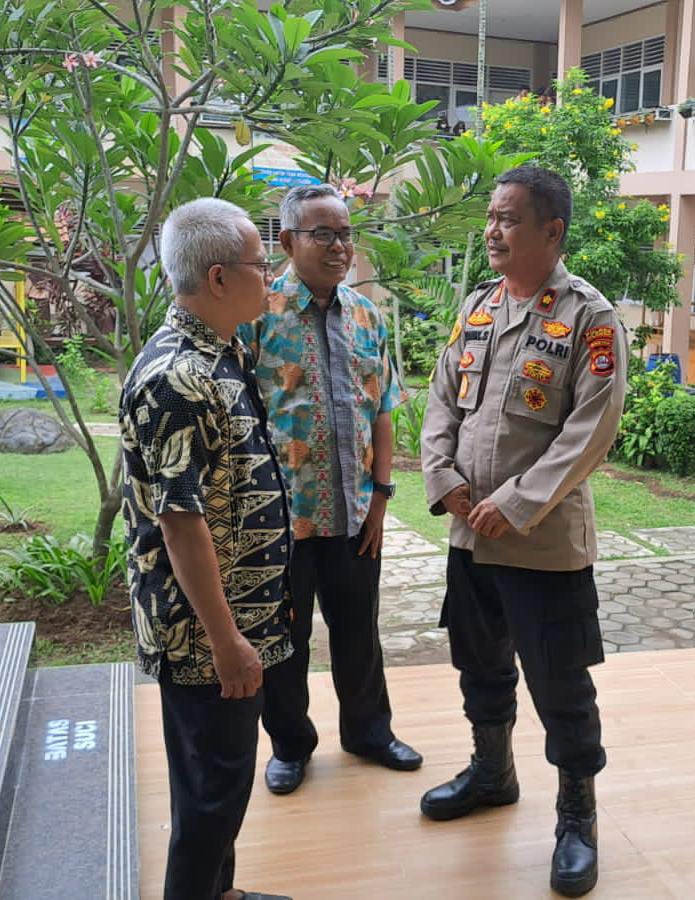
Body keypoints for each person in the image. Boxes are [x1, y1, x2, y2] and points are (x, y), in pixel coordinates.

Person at [420, 166, 627, 898]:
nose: (492, 230)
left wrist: (517, 500)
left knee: (559, 683)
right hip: (468, 537)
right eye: (490, 217)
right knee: (478, 666)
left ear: (552, 231)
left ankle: (577, 817)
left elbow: (590, 430)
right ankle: (491, 772)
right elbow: (441, 395)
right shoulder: (476, 306)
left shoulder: (588, 318)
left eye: (508, 218)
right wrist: (441, 478)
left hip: (541, 544)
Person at [119, 198, 293, 900]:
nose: (272, 274)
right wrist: (226, 642)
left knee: (220, 781)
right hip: (201, 636)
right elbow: (179, 521)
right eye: (261, 263)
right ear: (219, 278)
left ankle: (219, 893)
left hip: (233, 620)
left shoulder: (218, 353)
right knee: (210, 795)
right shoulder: (177, 379)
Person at [238, 183, 422, 796]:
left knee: (359, 630)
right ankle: (290, 745)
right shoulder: (257, 315)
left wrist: (383, 497)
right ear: (288, 241)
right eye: (323, 234)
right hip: (282, 520)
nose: (339, 245)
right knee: (283, 641)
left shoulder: (367, 314)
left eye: (345, 233)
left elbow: (384, 410)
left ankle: (369, 732)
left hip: (354, 513)